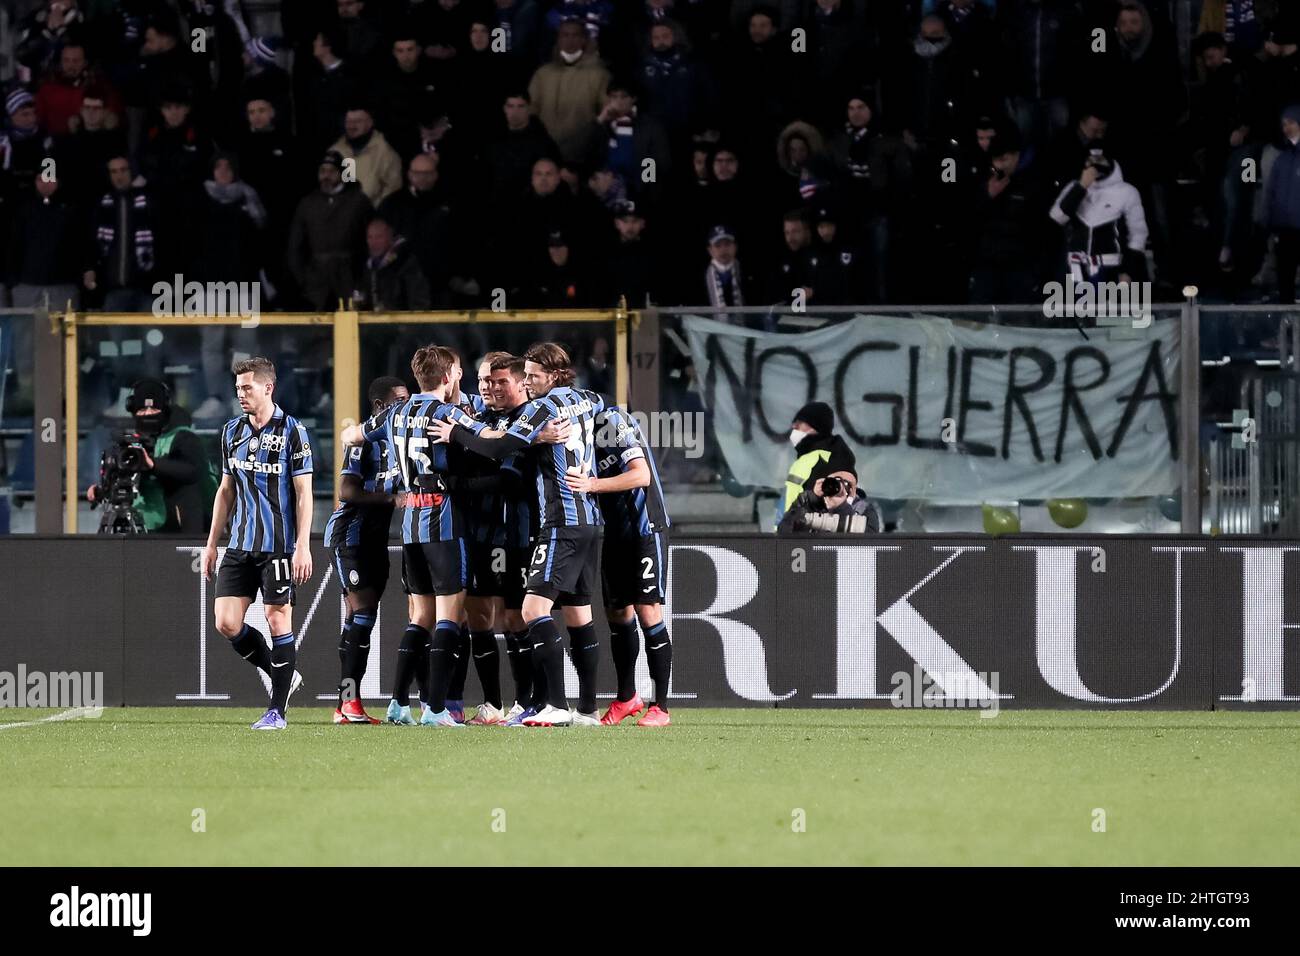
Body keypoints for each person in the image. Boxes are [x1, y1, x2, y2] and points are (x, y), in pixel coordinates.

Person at [429, 342, 604, 727]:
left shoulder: (542, 408)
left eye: (531, 376)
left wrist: (458, 436)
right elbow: (603, 410)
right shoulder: (588, 399)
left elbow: (503, 449)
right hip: (588, 516)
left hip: (557, 520)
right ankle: (586, 709)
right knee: (575, 612)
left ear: (555, 375)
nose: (527, 382)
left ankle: (551, 703)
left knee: (530, 612)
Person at [340, 345, 477, 728]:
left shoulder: (395, 413)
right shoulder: (450, 415)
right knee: (450, 615)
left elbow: (354, 437)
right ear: (448, 376)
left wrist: (348, 432)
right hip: (444, 522)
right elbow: (493, 441)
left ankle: (398, 703)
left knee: (420, 617)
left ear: (418, 377)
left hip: (410, 525)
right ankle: (435, 709)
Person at [200, 357, 314, 731]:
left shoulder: (294, 431)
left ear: (268, 387)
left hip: (279, 546)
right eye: (237, 389)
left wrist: (302, 545)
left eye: (247, 388)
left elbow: (303, 494)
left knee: (277, 619)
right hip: (240, 544)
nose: (240, 394)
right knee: (226, 623)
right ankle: (281, 672)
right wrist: (212, 543)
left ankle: (276, 712)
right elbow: (226, 490)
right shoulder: (231, 431)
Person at [566, 404, 673, 727]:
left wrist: (593, 485)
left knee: (647, 609)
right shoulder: (574, 434)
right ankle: (627, 697)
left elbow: (642, 475)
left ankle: (661, 707)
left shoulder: (610, 420)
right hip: (615, 531)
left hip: (645, 529)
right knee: (618, 613)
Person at [324, 376, 408, 725]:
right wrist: (391, 498)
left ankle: (345, 705)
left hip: (374, 539)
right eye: (398, 400)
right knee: (361, 615)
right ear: (379, 407)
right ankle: (349, 702)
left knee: (360, 618)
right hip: (351, 536)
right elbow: (346, 491)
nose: (405, 406)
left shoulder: (401, 440)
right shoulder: (364, 444)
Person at [86, 378, 214, 534]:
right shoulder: (130, 444)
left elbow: (193, 471)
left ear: (165, 409)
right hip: (144, 519)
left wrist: (152, 465)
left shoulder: (184, 438)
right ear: (132, 411)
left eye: (154, 410)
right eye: (141, 410)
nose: (147, 414)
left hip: (179, 524)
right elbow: (124, 480)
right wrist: (103, 490)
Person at [1048, 146, 1149, 287]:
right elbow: (1058, 217)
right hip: (1076, 269)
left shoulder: (1128, 192)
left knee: (1109, 308)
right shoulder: (1074, 187)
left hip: (1111, 270)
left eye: (1099, 159)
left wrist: (1128, 271)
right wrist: (1081, 187)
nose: (1094, 164)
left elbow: (1138, 236)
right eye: (1090, 160)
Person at [781, 401, 854, 522]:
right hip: (795, 534)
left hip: (806, 536)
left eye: (799, 424)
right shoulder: (828, 454)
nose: (794, 427)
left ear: (816, 427)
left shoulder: (821, 459)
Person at [778, 459, 880, 534]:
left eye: (847, 485)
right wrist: (813, 502)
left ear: (854, 489)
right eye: (834, 482)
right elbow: (784, 532)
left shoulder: (864, 509)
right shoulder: (807, 500)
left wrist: (842, 508)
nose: (840, 489)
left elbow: (869, 542)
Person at [1264, 105, 1300, 304]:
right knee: (1284, 283)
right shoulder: (1281, 158)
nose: (1287, 128)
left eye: (1291, 123)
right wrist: (1268, 220)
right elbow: (1271, 192)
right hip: (1285, 230)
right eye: (1284, 124)